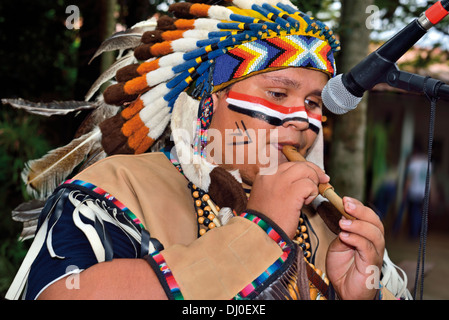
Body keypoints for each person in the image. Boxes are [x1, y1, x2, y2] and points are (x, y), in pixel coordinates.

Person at [6, 0, 410, 300]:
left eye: (312, 103)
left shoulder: (329, 225)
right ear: (207, 102)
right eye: (277, 92)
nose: (300, 118)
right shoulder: (118, 186)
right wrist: (259, 232)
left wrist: (362, 294)